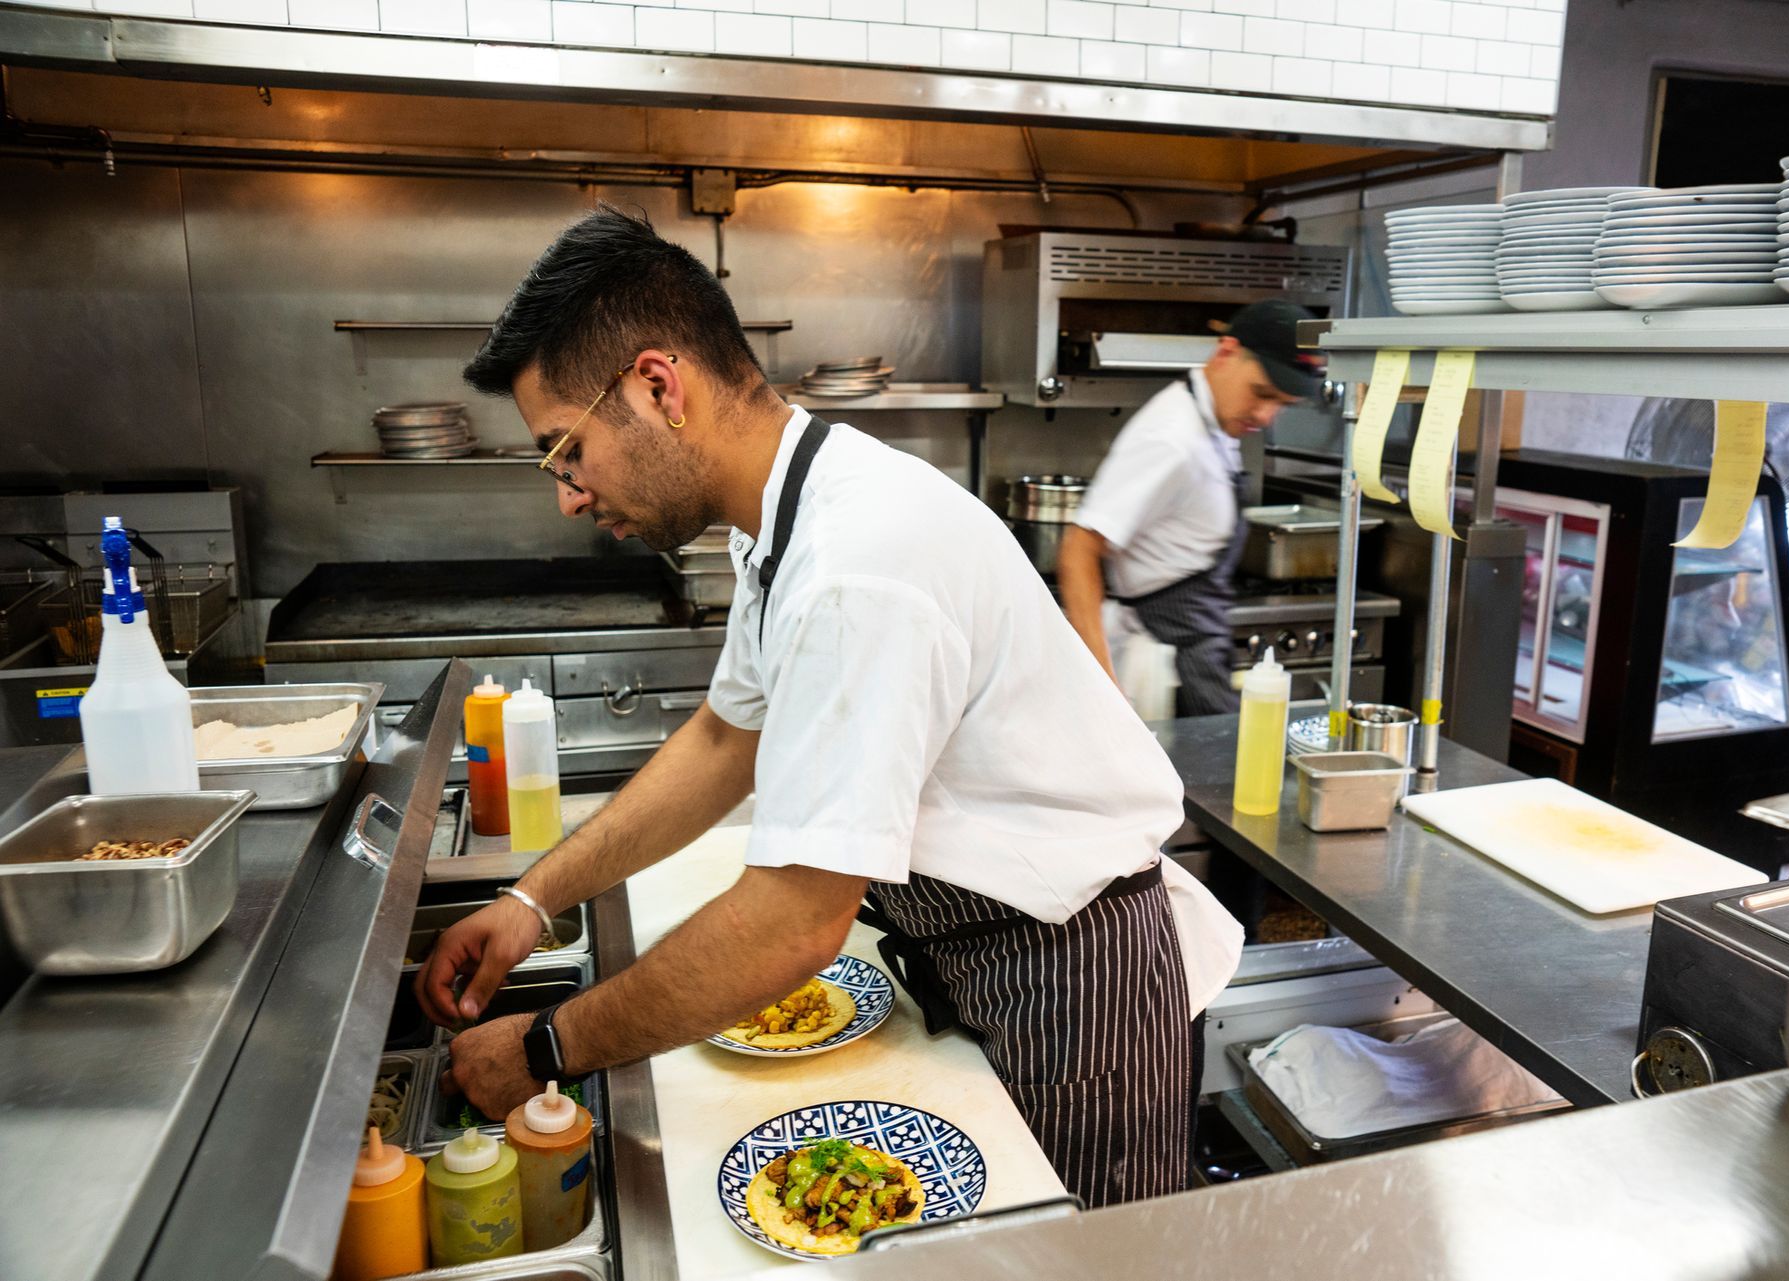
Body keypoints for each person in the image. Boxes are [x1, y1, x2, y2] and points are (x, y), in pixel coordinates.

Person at [416, 205, 1242, 1208]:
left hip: (1074, 981)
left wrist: (550, 1046)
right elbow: (727, 737)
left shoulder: (859, 567)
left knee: (1086, 1264)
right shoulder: (787, 512)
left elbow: (795, 923)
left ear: (657, 386)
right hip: (983, 955)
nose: (570, 495)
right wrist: (532, 900)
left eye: (566, 451)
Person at [1057, 302, 1324, 715]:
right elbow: (1080, 548)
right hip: (1155, 675)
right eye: (1262, 393)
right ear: (1226, 352)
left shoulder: (1211, 422)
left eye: (1282, 404)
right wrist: (1102, 685)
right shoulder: (1171, 439)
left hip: (1193, 660)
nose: (1267, 415)